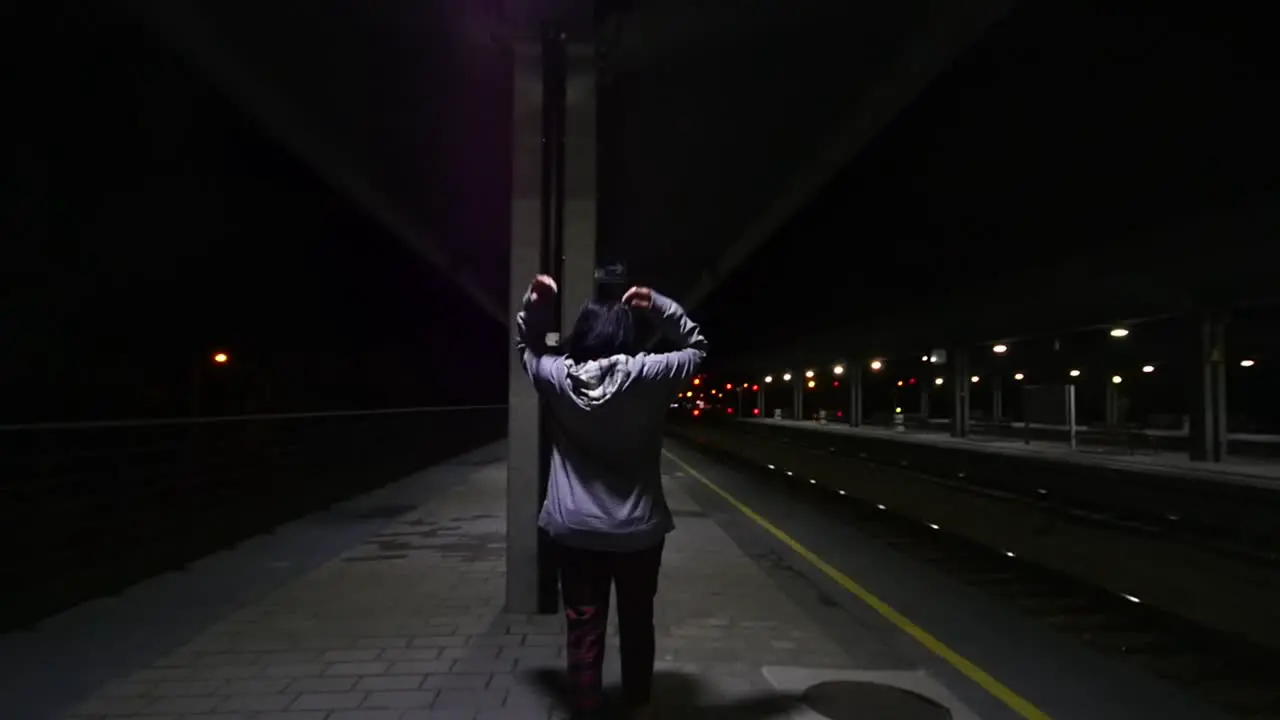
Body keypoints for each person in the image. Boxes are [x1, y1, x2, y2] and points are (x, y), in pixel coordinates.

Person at [514, 275, 708, 720]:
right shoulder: (650, 375)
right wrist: (659, 304)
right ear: (625, 334)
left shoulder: (556, 378)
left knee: (584, 628)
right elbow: (697, 347)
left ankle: (586, 709)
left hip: (576, 531)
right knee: (638, 622)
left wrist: (538, 304)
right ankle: (638, 706)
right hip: (639, 532)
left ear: (582, 334)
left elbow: (526, 347)